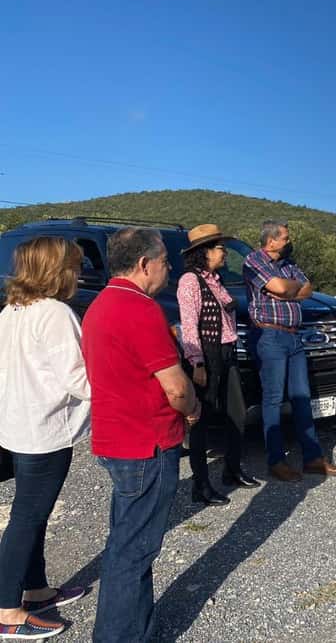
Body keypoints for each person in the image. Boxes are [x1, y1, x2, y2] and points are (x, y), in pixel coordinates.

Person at [82, 227, 201, 642]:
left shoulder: (100, 305)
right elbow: (177, 388)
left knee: (129, 542)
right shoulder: (141, 309)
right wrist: (194, 408)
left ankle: (139, 628)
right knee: (133, 552)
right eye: (166, 261)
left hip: (118, 440)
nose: (170, 269)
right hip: (146, 443)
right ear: (144, 264)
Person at [0, 237, 90, 640]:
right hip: (46, 429)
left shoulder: (12, 310)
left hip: (18, 425)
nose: (80, 272)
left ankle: (35, 590)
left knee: (33, 514)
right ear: (57, 270)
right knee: (28, 517)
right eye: (74, 265)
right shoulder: (55, 313)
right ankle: (7, 609)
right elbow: (77, 378)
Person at [242, 220, 336, 481]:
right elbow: (278, 287)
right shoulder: (253, 261)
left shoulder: (288, 265)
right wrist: (288, 289)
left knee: (302, 398)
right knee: (274, 399)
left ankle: (312, 457)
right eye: (285, 238)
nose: (289, 242)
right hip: (270, 335)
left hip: (294, 337)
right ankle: (276, 460)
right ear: (272, 240)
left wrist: (289, 291)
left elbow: (307, 288)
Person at [177, 224, 259, 506]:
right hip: (207, 355)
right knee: (202, 420)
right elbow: (189, 325)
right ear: (205, 251)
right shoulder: (190, 281)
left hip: (227, 351)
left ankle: (232, 469)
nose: (225, 252)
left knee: (236, 412)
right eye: (220, 247)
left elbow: (228, 306)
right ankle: (201, 485)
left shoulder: (215, 279)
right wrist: (197, 362)